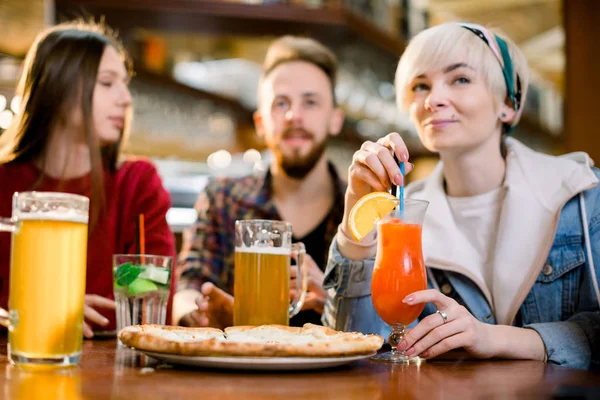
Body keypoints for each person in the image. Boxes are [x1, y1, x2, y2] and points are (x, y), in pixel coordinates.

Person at [322, 22, 600, 369]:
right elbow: (357, 342)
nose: (433, 99)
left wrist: (492, 337)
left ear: (508, 105)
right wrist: (355, 224)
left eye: (460, 79)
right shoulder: (401, 211)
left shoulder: (582, 195)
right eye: (420, 85)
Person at [0, 21, 176, 338]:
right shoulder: (3, 183)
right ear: (58, 88)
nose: (126, 98)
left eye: (125, 83)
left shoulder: (136, 183)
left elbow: (151, 301)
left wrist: (56, 308)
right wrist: (42, 307)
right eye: (108, 83)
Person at [175, 36, 346, 328]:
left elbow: (385, 321)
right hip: (241, 370)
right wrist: (199, 313)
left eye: (311, 102)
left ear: (335, 119)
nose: (294, 116)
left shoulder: (362, 211)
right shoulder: (222, 198)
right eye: (281, 103)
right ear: (260, 122)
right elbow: (188, 286)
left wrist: (334, 301)